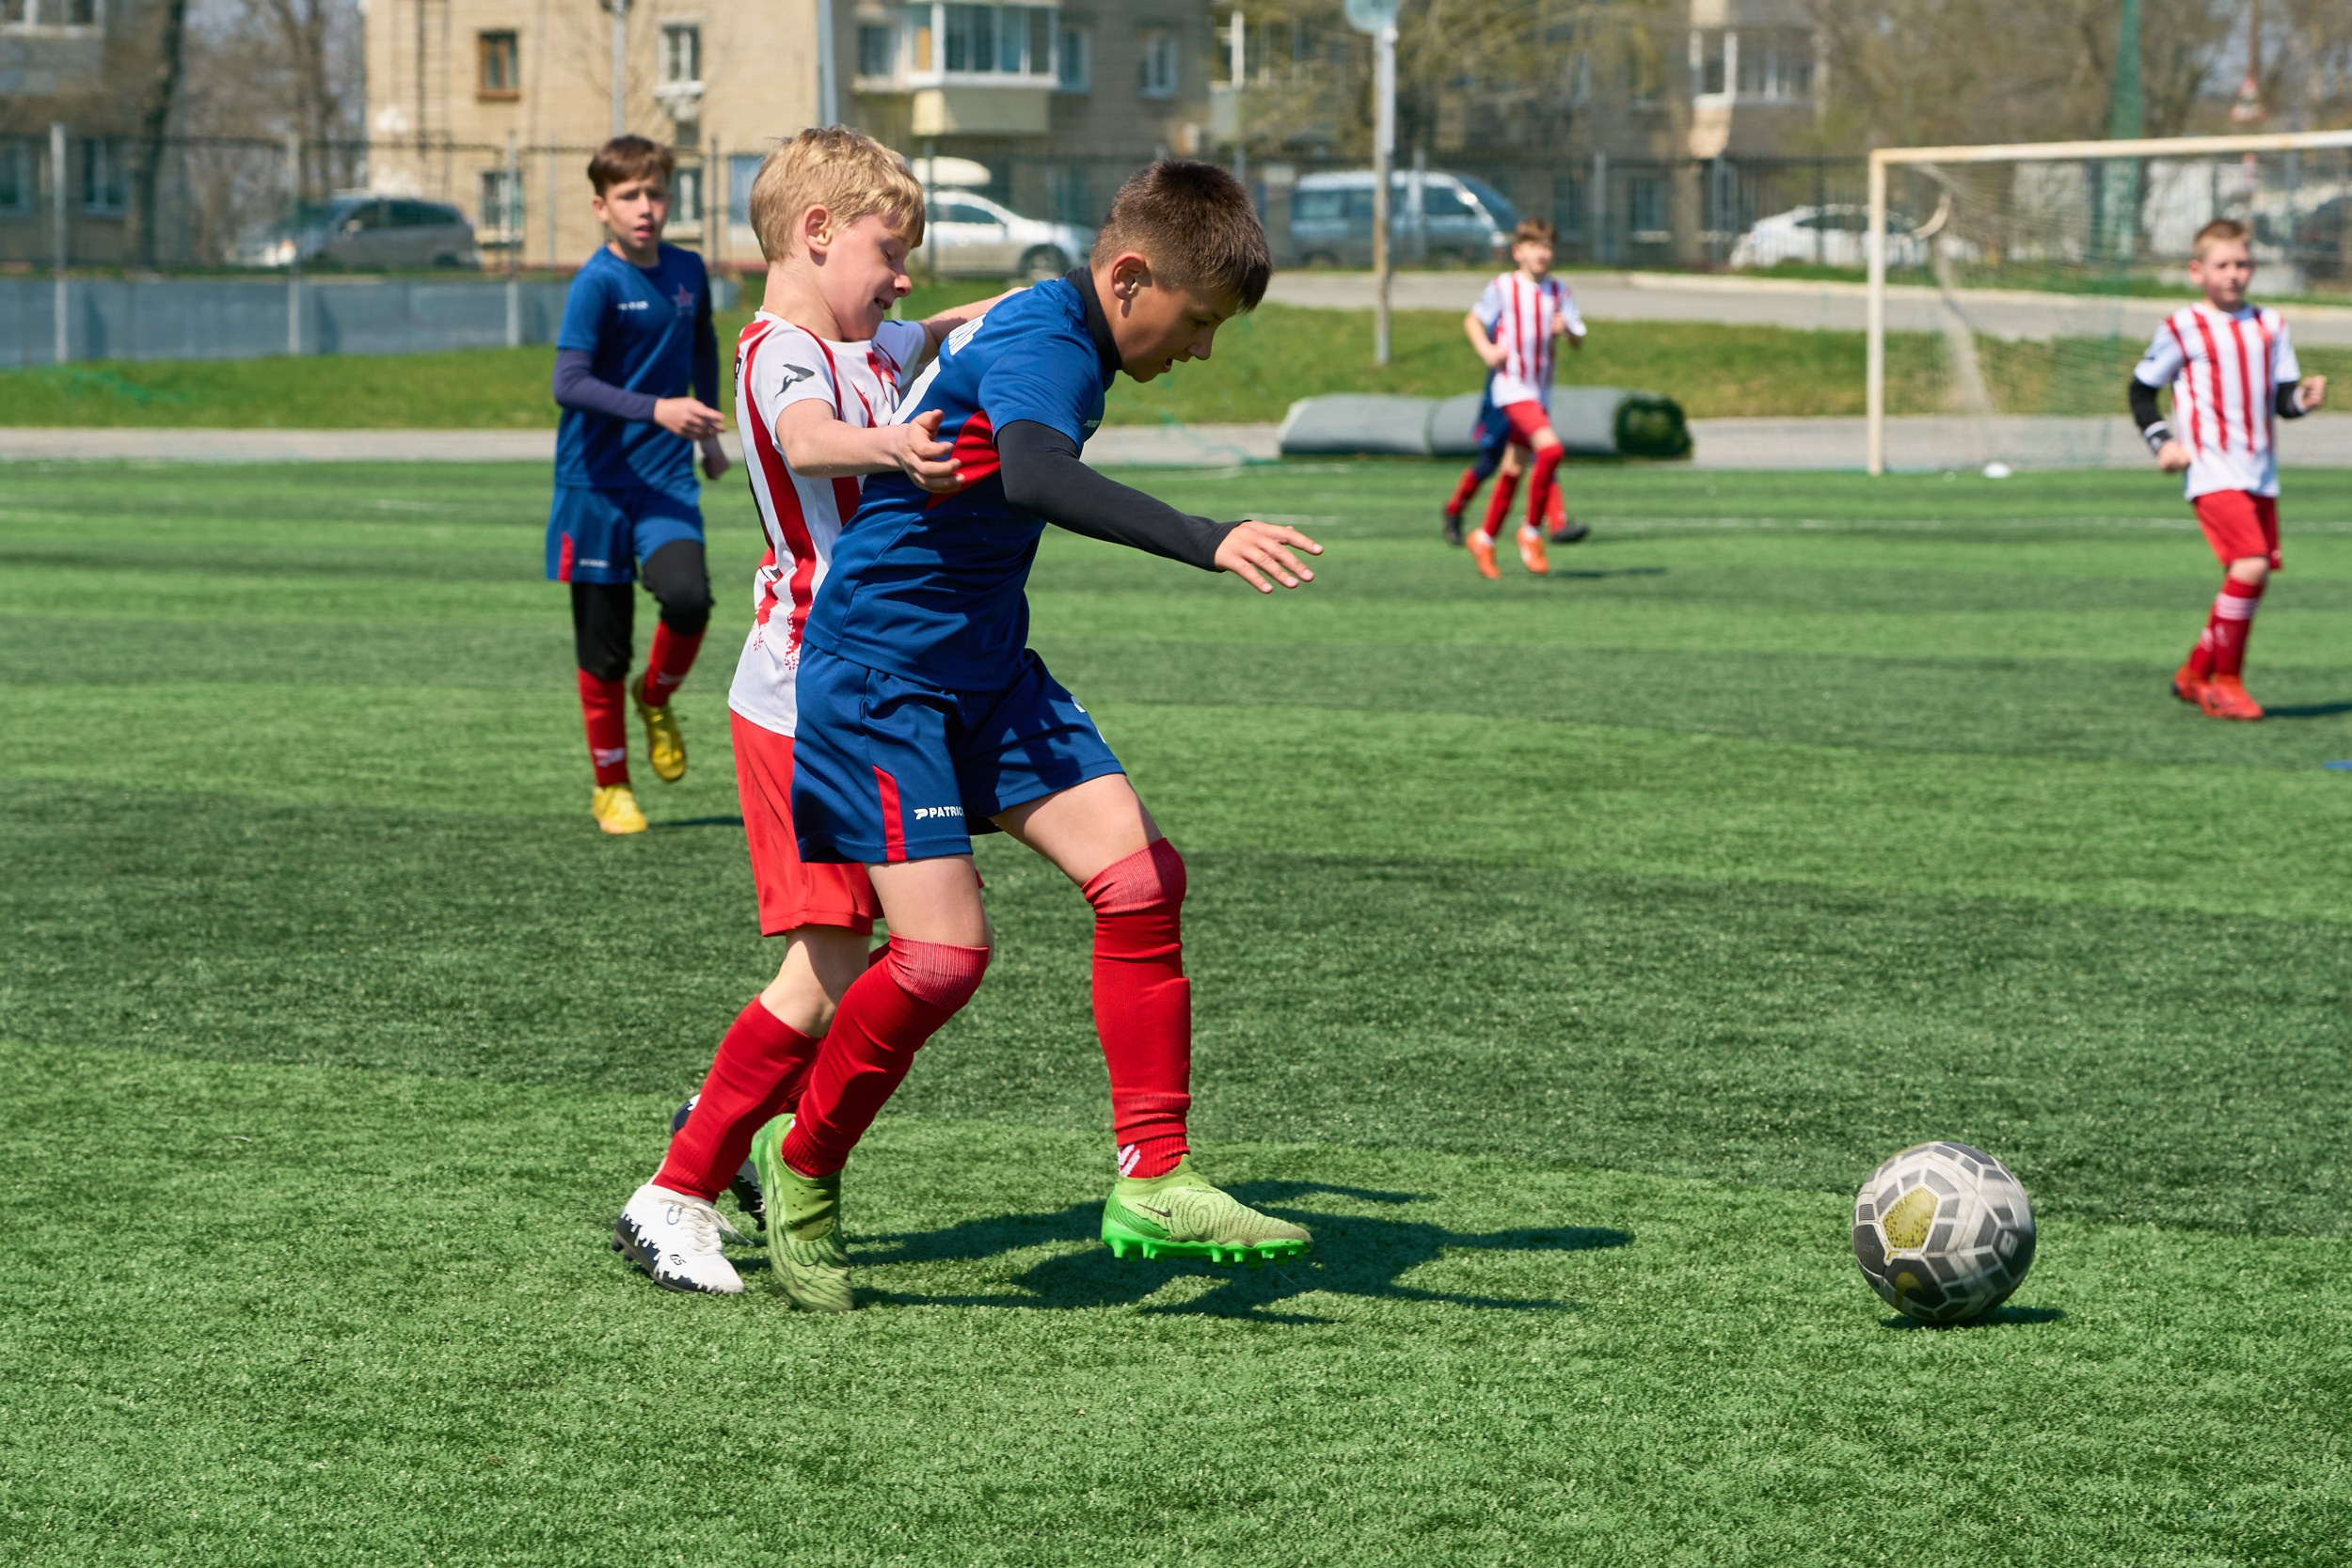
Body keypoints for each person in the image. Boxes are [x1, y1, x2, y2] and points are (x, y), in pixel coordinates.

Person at [752, 160, 1327, 1312]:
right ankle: (799, 1162)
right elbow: (1033, 472)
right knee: (940, 960)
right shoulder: (1052, 345)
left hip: (986, 670)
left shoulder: (1056, 317)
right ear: (1128, 276)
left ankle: (1153, 1174)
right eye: (1199, 320)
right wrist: (1205, 535)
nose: (1202, 347)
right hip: (881, 678)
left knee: (1140, 876)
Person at [612, 128, 1009, 1295]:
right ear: (815, 233)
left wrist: (1044, 305)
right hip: (801, 699)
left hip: (869, 690)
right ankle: (677, 1186)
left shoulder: (866, 336)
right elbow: (798, 435)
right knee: (839, 964)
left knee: (870, 958)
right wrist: (888, 444)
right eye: (891, 250)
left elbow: (930, 331)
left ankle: (728, 1116)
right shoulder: (779, 350)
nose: (903, 278)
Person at [546, 135, 729, 835]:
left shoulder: (688, 269)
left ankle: (656, 696)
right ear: (602, 206)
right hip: (591, 487)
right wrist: (658, 408)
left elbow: (703, 345)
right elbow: (567, 382)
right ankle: (611, 786)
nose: (645, 207)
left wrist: (709, 433)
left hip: (663, 480)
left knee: (688, 599)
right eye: (629, 196)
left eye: (655, 193)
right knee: (603, 644)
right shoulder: (596, 282)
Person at [2130, 217, 2328, 721]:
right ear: (2198, 271)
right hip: (2212, 470)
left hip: (2260, 471)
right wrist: (2161, 442)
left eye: (2242, 264)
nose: (2233, 274)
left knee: (2250, 576)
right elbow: (2141, 389)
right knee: (2251, 565)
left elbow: (2282, 399)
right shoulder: (2182, 326)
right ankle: (2227, 682)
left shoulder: (2270, 325)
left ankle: (2194, 672)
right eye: (2222, 265)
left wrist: (2302, 401)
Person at [1460, 219, 1586, 579]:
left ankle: (1484, 538)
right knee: (1551, 451)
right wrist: (1486, 349)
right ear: (1518, 252)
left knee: (1513, 469)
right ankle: (1531, 532)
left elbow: (1578, 337)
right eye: (1534, 246)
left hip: (1540, 390)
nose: (1542, 253)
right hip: (1511, 388)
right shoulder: (1503, 286)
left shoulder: (1560, 292)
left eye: (1547, 246)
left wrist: (1568, 333)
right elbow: (1472, 320)